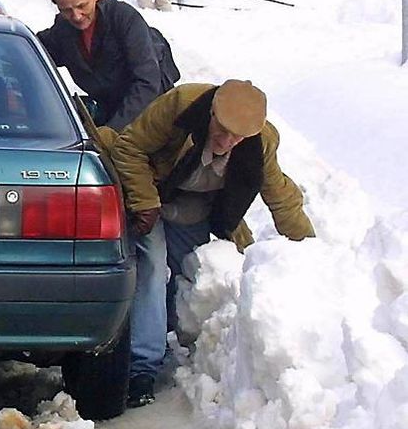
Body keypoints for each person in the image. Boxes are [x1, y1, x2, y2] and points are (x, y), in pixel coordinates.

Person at [110, 80, 316, 408]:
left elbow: (281, 196)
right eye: (222, 130)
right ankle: (142, 367)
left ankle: (168, 336)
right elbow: (128, 148)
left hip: (196, 206)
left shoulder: (260, 142)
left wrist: (310, 252)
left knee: (190, 269)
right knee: (151, 265)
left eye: (237, 137)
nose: (227, 141)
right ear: (211, 114)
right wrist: (144, 201)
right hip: (151, 193)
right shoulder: (180, 106)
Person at [36, 0, 180, 131]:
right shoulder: (63, 28)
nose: (76, 16)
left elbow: (147, 82)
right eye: (66, 10)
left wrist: (112, 131)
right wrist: (7, 26)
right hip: (108, 110)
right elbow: (34, 51)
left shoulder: (124, 19)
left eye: (82, 6)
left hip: (148, 113)